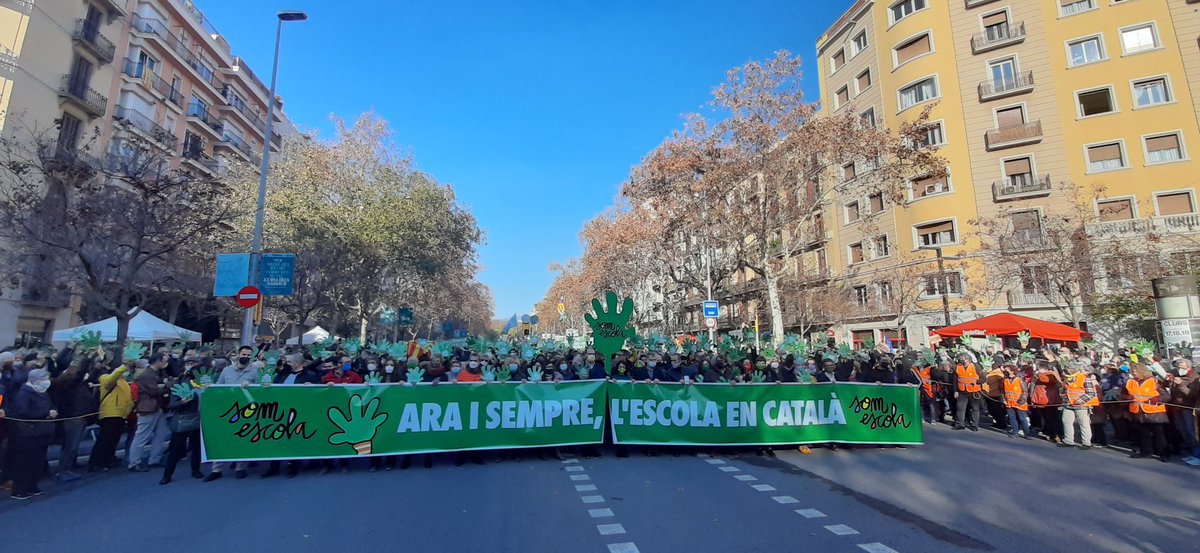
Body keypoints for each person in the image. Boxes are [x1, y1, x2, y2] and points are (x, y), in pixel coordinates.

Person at [206, 348, 260, 481]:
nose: (246, 356)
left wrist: (251, 385)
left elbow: (261, 388)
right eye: (244, 354)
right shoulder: (227, 370)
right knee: (222, 437)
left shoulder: (255, 371)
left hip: (245, 409)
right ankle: (216, 468)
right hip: (227, 408)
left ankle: (240, 467)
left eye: (248, 355)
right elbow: (218, 386)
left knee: (242, 436)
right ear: (238, 355)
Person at [264, 354, 322, 478]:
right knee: (276, 438)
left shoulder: (310, 376)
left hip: (299, 411)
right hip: (280, 410)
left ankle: (293, 466)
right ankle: (274, 467)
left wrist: (312, 388)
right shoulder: (282, 375)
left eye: (289, 361)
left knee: (294, 439)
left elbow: (319, 392)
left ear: (298, 363)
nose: (286, 363)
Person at [2, 369, 57, 499]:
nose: (46, 381)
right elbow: (23, 413)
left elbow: (51, 404)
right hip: (28, 433)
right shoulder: (24, 394)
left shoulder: (43, 392)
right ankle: (19, 489)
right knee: (25, 462)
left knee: (37, 462)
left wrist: (53, 410)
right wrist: (46, 414)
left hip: (43, 432)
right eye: (44, 379)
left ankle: (32, 485)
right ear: (35, 380)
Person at [50, 357, 96, 481]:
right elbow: (80, 374)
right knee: (71, 446)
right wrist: (87, 360)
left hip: (78, 416)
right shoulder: (69, 384)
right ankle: (63, 471)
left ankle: (67, 469)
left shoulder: (77, 384)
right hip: (73, 417)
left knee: (71, 446)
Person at [159, 365, 204, 485]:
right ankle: (167, 475)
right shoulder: (181, 386)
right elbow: (172, 405)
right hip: (182, 421)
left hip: (198, 420)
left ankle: (196, 470)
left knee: (196, 448)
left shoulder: (204, 387)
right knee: (175, 450)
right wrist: (183, 401)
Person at [87, 363, 133, 472]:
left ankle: (109, 459)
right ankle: (96, 462)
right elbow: (111, 379)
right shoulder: (105, 379)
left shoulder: (124, 382)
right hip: (109, 413)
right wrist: (123, 367)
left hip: (121, 414)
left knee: (113, 439)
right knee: (104, 439)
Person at [129, 353, 171, 472]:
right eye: (164, 361)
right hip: (149, 407)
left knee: (160, 434)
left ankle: (154, 458)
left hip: (157, 407)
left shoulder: (153, 373)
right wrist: (166, 386)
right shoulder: (147, 375)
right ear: (158, 361)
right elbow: (154, 391)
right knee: (142, 436)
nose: (165, 363)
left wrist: (163, 386)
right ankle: (134, 462)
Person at [1167, 360, 1200, 465]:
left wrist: (1181, 385)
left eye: (1182, 367)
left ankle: (1197, 454)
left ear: (1188, 367)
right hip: (1177, 406)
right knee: (1184, 430)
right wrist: (1169, 381)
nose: (1180, 369)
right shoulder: (1177, 374)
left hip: (1188, 407)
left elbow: (1192, 395)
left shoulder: (1194, 377)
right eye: (1178, 367)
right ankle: (1192, 452)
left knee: (1192, 432)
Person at [1060, 361, 1098, 449]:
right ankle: (1068, 440)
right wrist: (1063, 397)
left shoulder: (1084, 378)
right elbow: (1066, 391)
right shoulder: (1066, 378)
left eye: (1069, 368)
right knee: (1066, 421)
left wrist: (1079, 401)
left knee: (1084, 424)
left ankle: (1086, 443)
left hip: (1081, 405)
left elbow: (1091, 393)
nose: (1067, 370)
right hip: (1068, 404)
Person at [954, 354, 983, 431]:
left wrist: (976, 381)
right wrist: (955, 391)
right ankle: (960, 424)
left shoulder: (976, 366)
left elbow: (984, 378)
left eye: (963, 358)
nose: (961, 360)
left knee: (975, 409)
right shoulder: (958, 367)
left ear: (968, 360)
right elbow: (955, 380)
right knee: (960, 408)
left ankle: (974, 425)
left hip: (974, 391)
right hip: (962, 391)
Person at [1002, 363, 1031, 439]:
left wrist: (1021, 401)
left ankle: (1027, 434)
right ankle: (1015, 431)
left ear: (1012, 371)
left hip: (1019, 403)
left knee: (1022, 418)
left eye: (1007, 370)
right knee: (1012, 418)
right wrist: (1003, 399)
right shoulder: (1005, 380)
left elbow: (1025, 391)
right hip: (1009, 402)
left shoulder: (1020, 379)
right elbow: (1002, 391)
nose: (1005, 372)